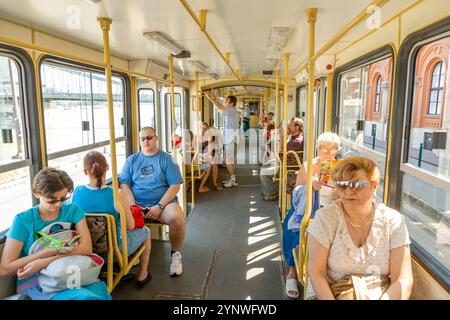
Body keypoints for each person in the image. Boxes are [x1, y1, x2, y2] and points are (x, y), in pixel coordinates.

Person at [308, 156, 413, 300]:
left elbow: (402, 279)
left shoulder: (393, 221)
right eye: (342, 185)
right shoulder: (326, 218)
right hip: (334, 293)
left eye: (358, 184)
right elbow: (317, 273)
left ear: (373, 186)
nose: (349, 191)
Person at [0, 168, 111, 300]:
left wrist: (44, 262)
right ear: (37, 194)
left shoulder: (73, 210)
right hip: (37, 283)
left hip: (73, 274)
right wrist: (51, 252)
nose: (59, 204)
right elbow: (6, 269)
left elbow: (86, 248)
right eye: (52, 200)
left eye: (63, 198)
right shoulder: (23, 220)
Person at [72, 151, 152, 288]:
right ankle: (142, 274)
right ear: (107, 168)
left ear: (85, 171)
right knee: (146, 231)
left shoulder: (77, 192)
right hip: (113, 251)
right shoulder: (117, 195)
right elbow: (131, 226)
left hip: (85, 250)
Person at [119, 127, 186, 277]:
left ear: (156, 138)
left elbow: (175, 185)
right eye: (142, 138)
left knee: (178, 219)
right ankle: (133, 250)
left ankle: (175, 254)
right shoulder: (132, 160)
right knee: (118, 215)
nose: (146, 141)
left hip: (163, 204)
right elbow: (124, 184)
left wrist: (160, 206)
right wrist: (132, 205)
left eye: (149, 137)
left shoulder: (167, 159)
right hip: (136, 204)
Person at [282, 131, 341, 299]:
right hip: (310, 207)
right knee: (296, 229)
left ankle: (327, 273)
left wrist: (338, 190)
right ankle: (293, 271)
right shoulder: (309, 165)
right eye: (324, 148)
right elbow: (296, 191)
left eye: (332, 149)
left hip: (332, 207)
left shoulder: (341, 168)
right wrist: (310, 186)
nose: (328, 153)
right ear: (318, 148)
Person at [260, 117, 304, 202]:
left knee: (264, 173)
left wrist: (283, 135)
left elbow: (280, 151)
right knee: (265, 166)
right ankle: (268, 191)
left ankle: (272, 193)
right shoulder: (292, 137)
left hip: (289, 167)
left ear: (297, 127)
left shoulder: (297, 141)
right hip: (285, 162)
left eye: (290, 125)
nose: (287, 127)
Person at [204, 91, 240, 188]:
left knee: (228, 160)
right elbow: (219, 107)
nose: (225, 103)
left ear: (231, 103)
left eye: (226, 101)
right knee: (229, 160)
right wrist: (214, 99)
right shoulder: (230, 111)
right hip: (229, 139)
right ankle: (232, 178)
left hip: (231, 140)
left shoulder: (231, 110)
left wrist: (210, 98)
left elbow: (219, 107)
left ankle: (233, 180)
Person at [198, 122, 222, 191]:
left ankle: (214, 184)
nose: (203, 130)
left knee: (214, 164)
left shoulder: (209, 137)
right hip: (198, 156)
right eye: (202, 128)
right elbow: (195, 150)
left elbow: (210, 149)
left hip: (206, 155)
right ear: (200, 128)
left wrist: (207, 157)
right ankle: (201, 187)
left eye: (205, 129)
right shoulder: (196, 137)